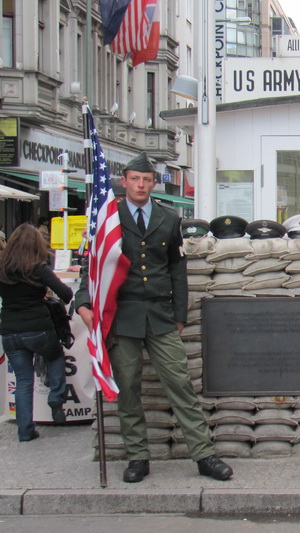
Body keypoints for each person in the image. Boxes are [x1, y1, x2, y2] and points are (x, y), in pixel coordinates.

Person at [75, 152, 233, 483]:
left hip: (161, 314)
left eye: (147, 180)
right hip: (123, 314)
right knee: (129, 387)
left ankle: (204, 455)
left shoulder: (167, 217)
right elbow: (93, 265)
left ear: (153, 183)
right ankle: (138, 458)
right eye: (135, 179)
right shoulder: (110, 217)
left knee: (179, 382)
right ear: (124, 181)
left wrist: (179, 312)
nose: (141, 185)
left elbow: (176, 266)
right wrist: (83, 302)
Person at [0, 223, 72, 442]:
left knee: (23, 381)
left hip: (10, 332)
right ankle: (56, 397)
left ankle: (25, 431)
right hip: (39, 329)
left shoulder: (2, 269)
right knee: (55, 355)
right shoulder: (38, 269)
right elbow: (66, 293)